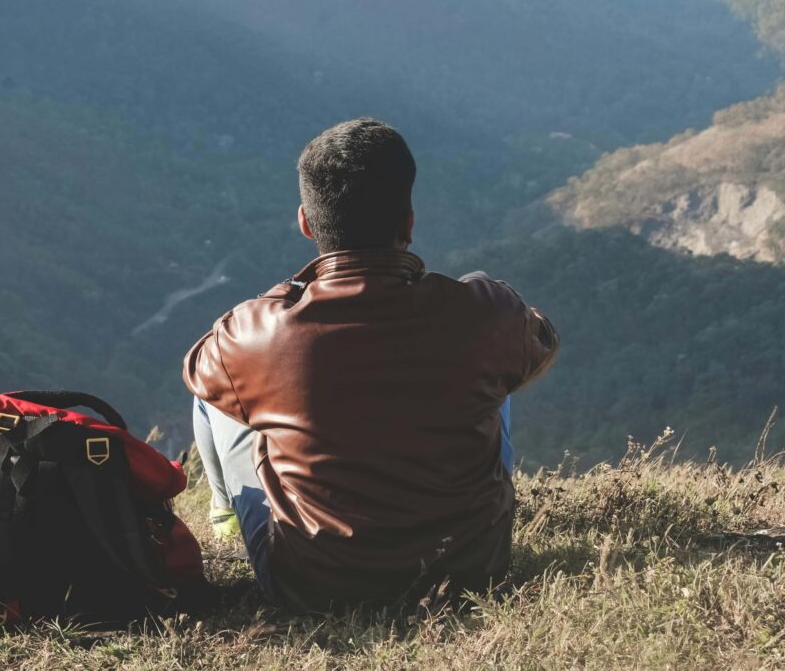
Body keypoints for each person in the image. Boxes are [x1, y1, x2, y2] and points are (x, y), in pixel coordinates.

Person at [183, 118, 559, 611]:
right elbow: (540, 342)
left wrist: (281, 301)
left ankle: (224, 513)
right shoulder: (482, 312)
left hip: (311, 583)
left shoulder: (256, 332)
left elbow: (198, 368)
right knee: (496, 357)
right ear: (408, 221)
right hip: (469, 568)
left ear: (306, 223)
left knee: (214, 396)